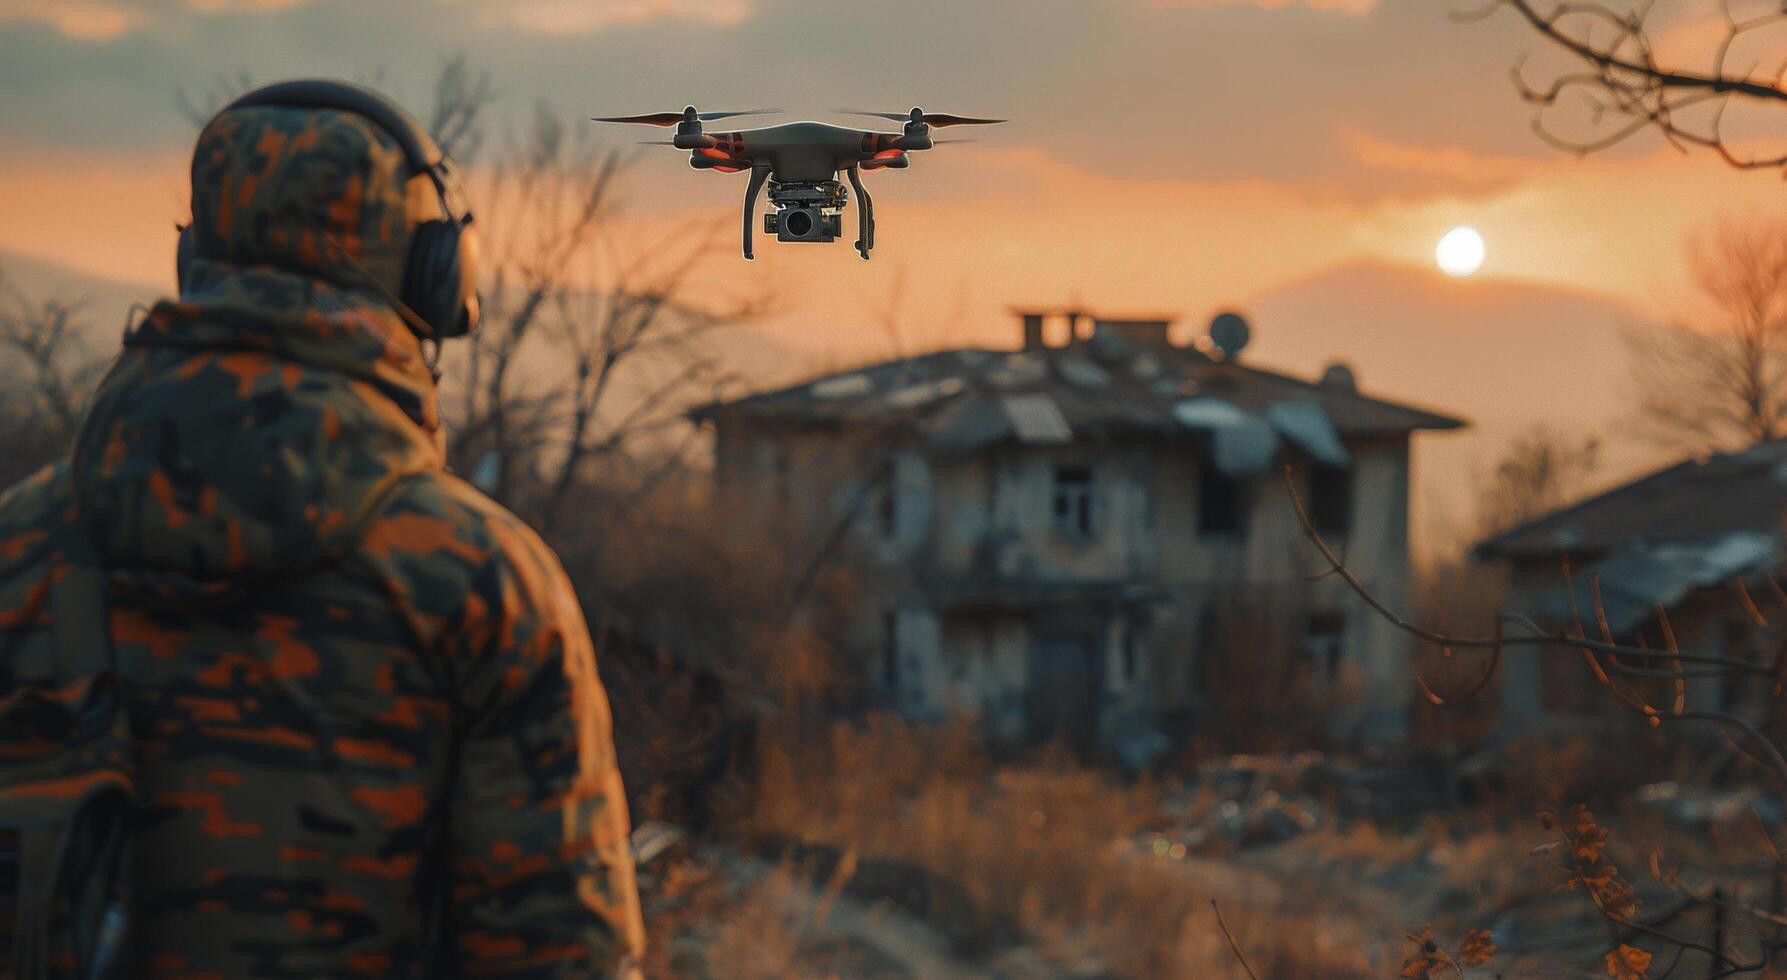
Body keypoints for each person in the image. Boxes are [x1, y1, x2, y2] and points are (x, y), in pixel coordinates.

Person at [0, 80, 644, 976]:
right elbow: (561, 957)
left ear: (195, 263)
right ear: (435, 278)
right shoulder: (480, 583)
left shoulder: (20, 546)